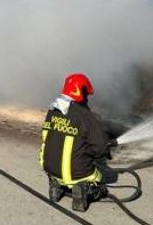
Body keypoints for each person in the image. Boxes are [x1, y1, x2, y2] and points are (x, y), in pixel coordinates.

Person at [39, 72, 110, 212]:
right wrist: (93, 150)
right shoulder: (86, 116)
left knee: (65, 168)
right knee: (99, 182)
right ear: (80, 92)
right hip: (76, 172)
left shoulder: (53, 110)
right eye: (86, 95)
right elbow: (100, 149)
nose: (87, 99)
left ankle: (56, 186)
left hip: (50, 168)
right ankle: (83, 189)